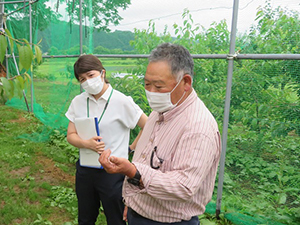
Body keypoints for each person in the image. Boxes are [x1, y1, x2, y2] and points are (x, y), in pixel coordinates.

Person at [99, 43, 221, 225]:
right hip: (139, 213)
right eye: (147, 84)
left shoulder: (199, 128)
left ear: (186, 82)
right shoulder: (160, 110)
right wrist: (133, 203)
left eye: (158, 86)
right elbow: (144, 156)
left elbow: (184, 186)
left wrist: (133, 171)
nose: (151, 93)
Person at [65, 54, 147, 225]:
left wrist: (131, 148)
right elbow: (71, 135)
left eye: (91, 75)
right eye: (82, 79)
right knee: (85, 218)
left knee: (116, 219)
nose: (87, 81)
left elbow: (147, 126)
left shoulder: (121, 101)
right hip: (86, 169)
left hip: (113, 172)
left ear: (102, 73)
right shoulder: (78, 102)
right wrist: (86, 144)